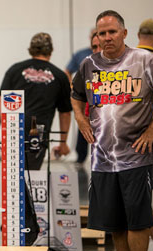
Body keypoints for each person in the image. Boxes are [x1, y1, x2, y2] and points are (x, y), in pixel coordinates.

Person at [71, 10, 153, 251]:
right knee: (115, 222)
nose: (106, 37)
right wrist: (82, 122)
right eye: (101, 33)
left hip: (137, 155)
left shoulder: (145, 60)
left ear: (124, 33)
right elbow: (76, 95)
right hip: (102, 158)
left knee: (138, 220)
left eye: (111, 32)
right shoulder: (88, 64)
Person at [104, 18, 153, 251]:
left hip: (138, 141)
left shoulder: (143, 60)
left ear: (130, 34)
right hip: (146, 139)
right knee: (133, 199)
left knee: (136, 200)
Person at [0, 33, 72, 170]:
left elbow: (0, 102)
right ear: (51, 51)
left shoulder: (15, 70)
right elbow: (65, 113)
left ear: (31, 49)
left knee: (13, 179)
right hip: (38, 132)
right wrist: (63, 143)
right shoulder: (59, 76)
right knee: (32, 178)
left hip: (13, 130)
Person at [64, 29, 97, 167]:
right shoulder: (82, 55)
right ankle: (80, 156)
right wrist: (72, 88)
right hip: (86, 97)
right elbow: (67, 70)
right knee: (83, 124)